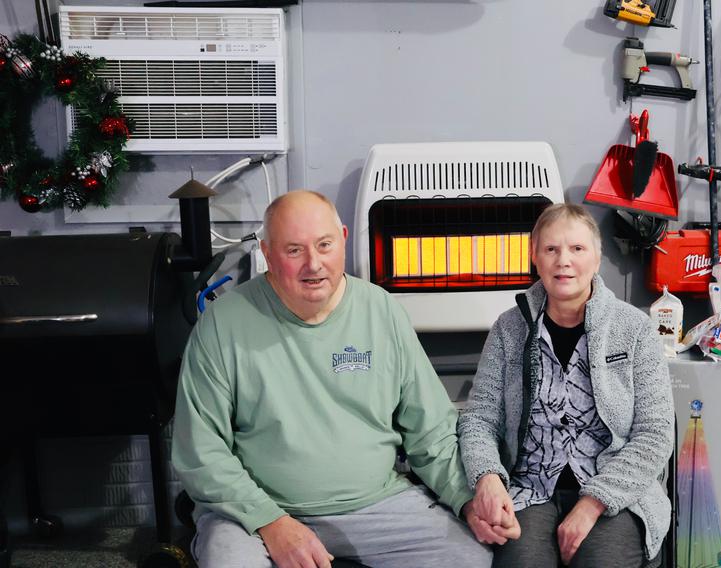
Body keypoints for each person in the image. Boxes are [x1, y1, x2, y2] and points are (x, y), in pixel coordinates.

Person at [172, 190, 514, 568]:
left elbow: (431, 431)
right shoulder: (223, 325)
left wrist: (466, 499)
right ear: (267, 254)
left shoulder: (381, 310)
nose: (313, 264)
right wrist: (272, 522)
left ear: (344, 240)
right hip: (257, 513)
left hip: (377, 504)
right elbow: (202, 453)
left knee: (470, 560)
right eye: (294, 251)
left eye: (324, 245)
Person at [457, 203, 674, 568]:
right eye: (551, 249)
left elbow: (655, 434)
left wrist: (593, 503)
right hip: (530, 490)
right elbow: (478, 420)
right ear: (534, 257)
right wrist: (488, 478)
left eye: (577, 249)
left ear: (597, 256)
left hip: (614, 492)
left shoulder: (634, 329)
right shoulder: (509, 329)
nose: (564, 261)